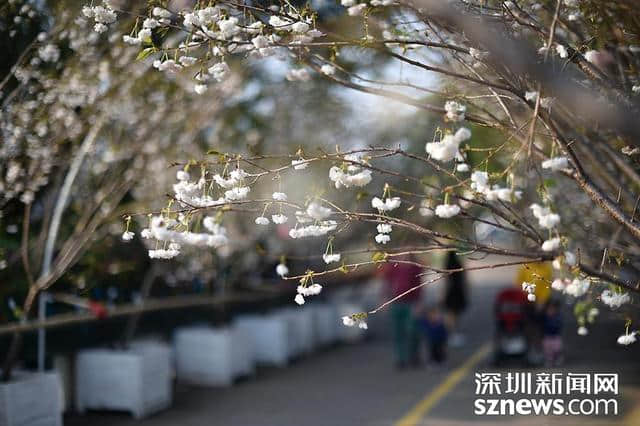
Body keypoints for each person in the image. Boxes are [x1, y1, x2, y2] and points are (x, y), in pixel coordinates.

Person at [381, 255, 423, 369]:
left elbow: (419, 286)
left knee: (412, 330)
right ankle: (400, 358)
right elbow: (386, 283)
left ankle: (413, 356)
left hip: (411, 303)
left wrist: (418, 303)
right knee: (398, 332)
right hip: (396, 303)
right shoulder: (393, 266)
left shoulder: (415, 267)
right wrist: (385, 299)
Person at [443, 251, 468, 347]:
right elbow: (465, 279)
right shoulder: (459, 264)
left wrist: (442, 295)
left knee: (450, 314)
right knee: (456, 314)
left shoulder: (446, 266)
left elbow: (445, 282)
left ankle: (451, 334)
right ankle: (454, 333)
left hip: (450, 292)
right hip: (458, 291)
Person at [542, 300, 563, 366]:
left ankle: (557, 359)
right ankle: (549, 360)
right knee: (547, 350)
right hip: (547, 336)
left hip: (555, 336)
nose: (551, 310)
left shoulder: (558, 317)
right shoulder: (544, 317)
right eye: (549, 309)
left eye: (553, 309)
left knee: (556, 349)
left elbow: (559, 325)